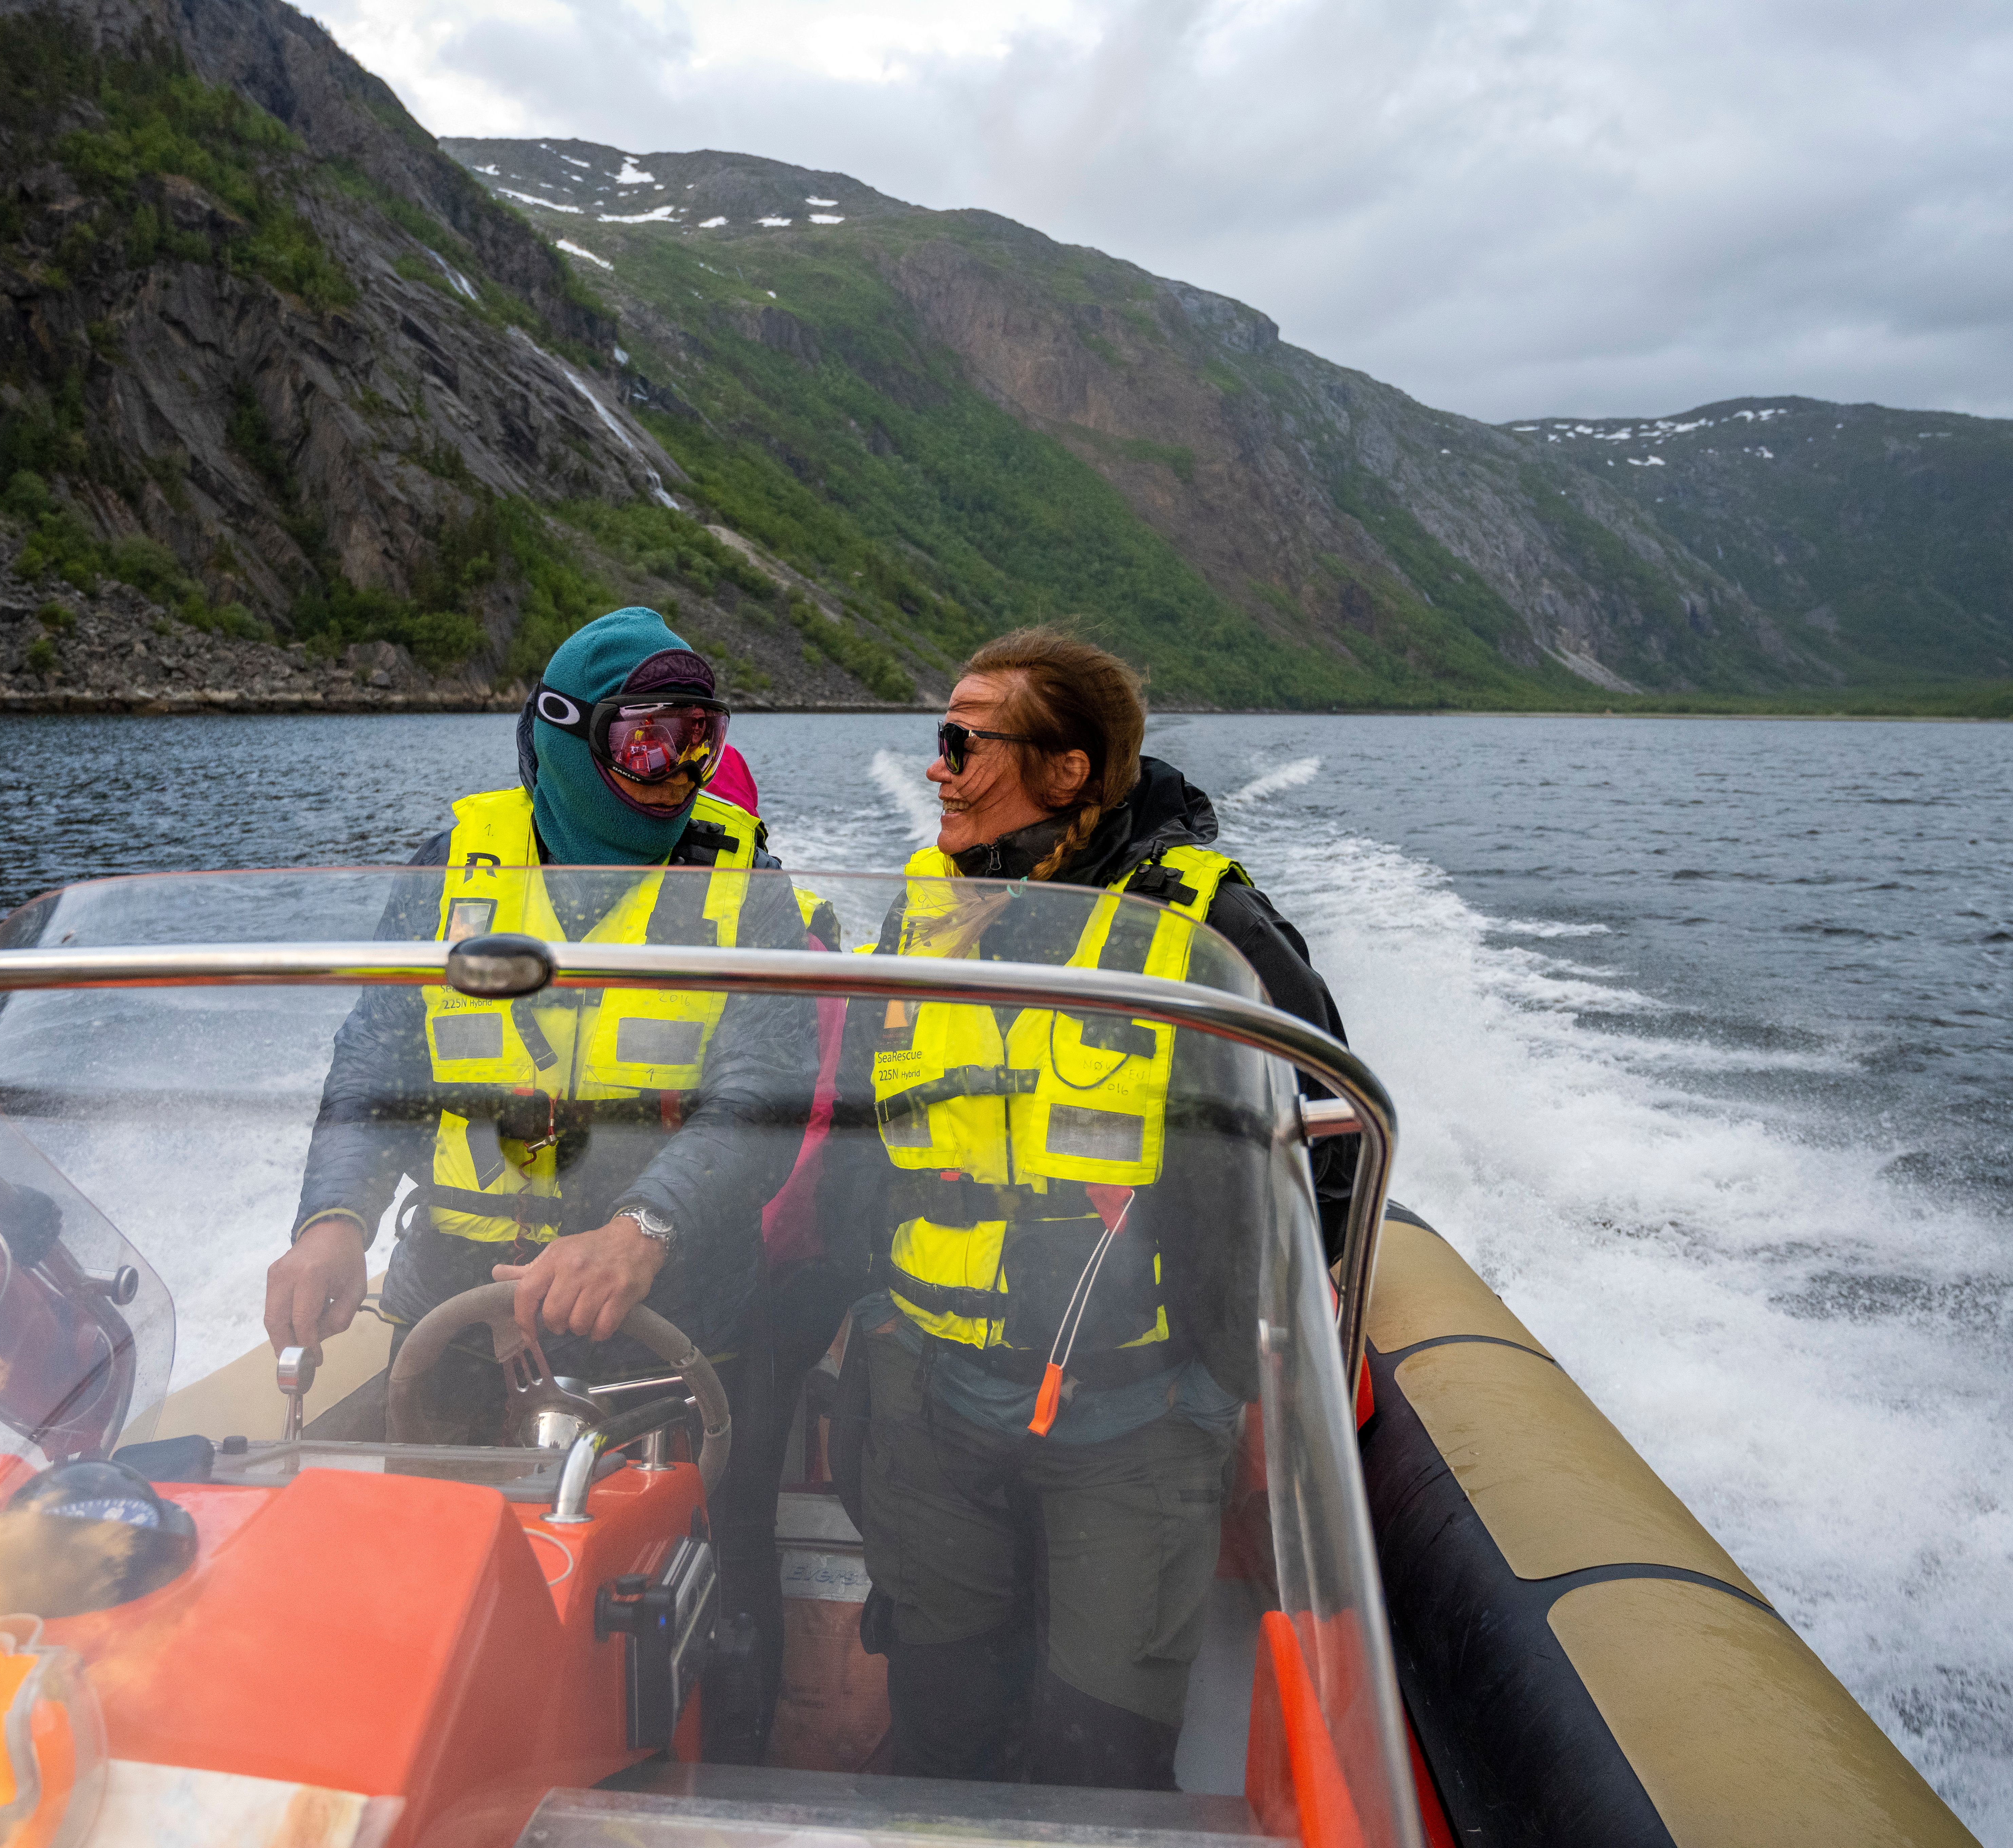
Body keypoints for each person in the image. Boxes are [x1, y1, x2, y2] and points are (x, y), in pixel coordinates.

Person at [821, 626, 1348, 1790]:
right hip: (933, 1396)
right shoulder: (916, 913)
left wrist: (1273, 1358)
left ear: (1068, 771)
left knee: (1102, 1755)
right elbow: (859, 1134)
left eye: (965, 742)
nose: (938, 767)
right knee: (940, 1726)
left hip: (1138, 1411)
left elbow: (1328, 1129)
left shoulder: (1204, 927)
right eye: (939, 738)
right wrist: (865, 1317)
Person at [264, 607, 815, 1457]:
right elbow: (378, 1058)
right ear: (567, 734)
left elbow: (764, 1093)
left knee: (688, 1536)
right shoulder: (449, 869)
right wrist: (333, 1220)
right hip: (455, 1312)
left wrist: (644, 1229)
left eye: (699, 742)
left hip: (668, 1320)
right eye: (649, 743)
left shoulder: (752, 892)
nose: (679, 773)